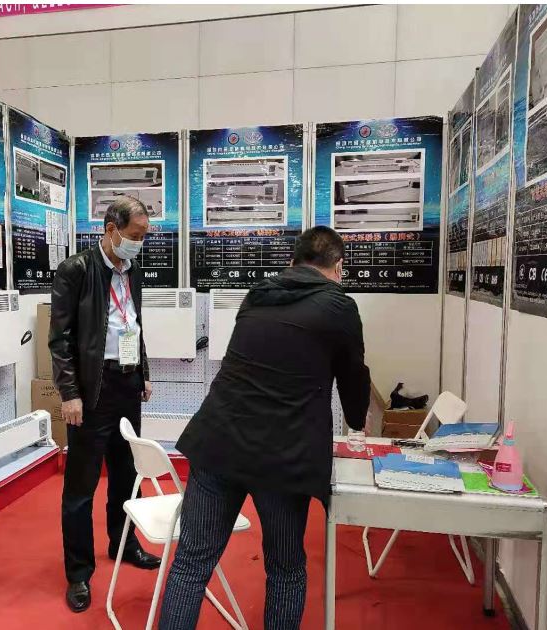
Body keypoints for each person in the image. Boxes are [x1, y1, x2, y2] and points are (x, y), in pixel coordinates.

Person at [158, 226, 371, 630]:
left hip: (219, 440)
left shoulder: (258, 294)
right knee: (285, 569)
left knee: (191, 563)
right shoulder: (338, 306)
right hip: (283, 456)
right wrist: (357, 428)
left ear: (292, 261)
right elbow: (353, 378)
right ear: (338, 266)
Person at [50, 195, 161, 614]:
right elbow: (60, 339)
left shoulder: (132, 270)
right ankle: (78, 573)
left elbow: (133, 323)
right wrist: (69, 393)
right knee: (81, 485)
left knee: (126, 473)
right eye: (135, 235)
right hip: (91, 388)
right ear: (111, 230)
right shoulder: (75, 270)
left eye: (144, 237)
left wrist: (143, 370)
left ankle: (124, 544)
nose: (139, 243)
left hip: (127, 383)